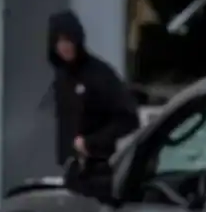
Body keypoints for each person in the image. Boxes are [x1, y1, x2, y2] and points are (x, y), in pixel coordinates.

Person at [47, 10, 140, 171]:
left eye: (68, 40)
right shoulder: (62, 78)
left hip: (100, 168)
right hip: (71, 168)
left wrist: (91, 143)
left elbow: (129, 119)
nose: (64, 47)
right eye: (59, 42)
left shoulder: (100, 75)